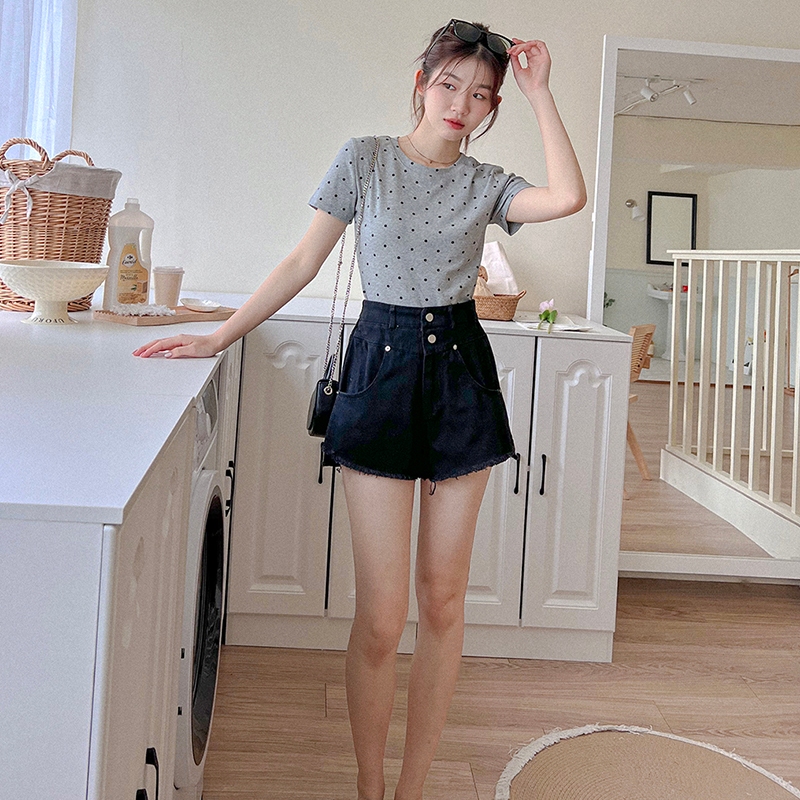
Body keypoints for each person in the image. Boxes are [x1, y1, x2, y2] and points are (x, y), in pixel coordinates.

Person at [134, 19, 585, 800]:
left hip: (461, 379)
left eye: (482, 95)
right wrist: (218, 335)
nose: (461, 104)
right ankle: (370, 787)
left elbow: (569, 196)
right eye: (450, 84)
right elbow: (301, 261)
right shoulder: (365, 159)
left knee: (442, 601)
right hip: (380, 371)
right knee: (381, 616)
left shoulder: (486, 183)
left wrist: (539, 92)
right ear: (422, 83)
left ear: (492, 107)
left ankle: (411, 789)